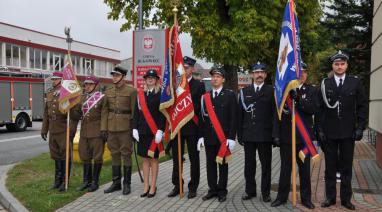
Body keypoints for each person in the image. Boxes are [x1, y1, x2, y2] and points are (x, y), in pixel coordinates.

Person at [318, 50, 368, 210]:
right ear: (332, 66)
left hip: (348, 133)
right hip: (330, 133)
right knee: (330, 167)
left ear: (346, 65)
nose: (339, 67)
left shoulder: (355, 82)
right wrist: (319, 130)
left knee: (346, 167)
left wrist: (360, 127)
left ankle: (346, 199)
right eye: (336, 64)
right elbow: (320, 109)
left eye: (342, 64)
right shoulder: (326, 83)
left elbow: (362, 106)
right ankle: (330, 198)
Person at [271, 62, 316, 209]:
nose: (301, 74)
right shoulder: (284, 92)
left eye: (303, 72)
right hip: (286, 138)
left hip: (303, 139)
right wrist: (276, 135)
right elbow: (277, 115)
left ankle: (306, 199)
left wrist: (299, 99)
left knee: (304, 171)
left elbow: (312, 109)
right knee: (285, 169)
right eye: (298, 72)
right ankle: (281, 197)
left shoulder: (311, 91)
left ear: (306, 74)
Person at [197, 66, 237, 202]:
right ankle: (212, 189)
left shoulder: (230, 95)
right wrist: (201, 136)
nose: (215, 79)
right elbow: (202, 118)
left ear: (223, 79)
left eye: (218, 76)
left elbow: (234, 118)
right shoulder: (205, 97)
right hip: (209, 137)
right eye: (213, 76)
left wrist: (231, 138)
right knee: (210, 164)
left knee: (223, 165)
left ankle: (222, 190)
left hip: (223, 138)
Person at [168, 56, 205, 199]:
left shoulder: (199, 85)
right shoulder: (176, 85)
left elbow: (200, 109)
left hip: (192, 127)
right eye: (183, 67)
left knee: (194, 158)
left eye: (188, 67)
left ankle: (193, 187)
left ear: (193, 69)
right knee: (177, 159)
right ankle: (177, 185)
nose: (185, 70)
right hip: (178, 127)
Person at [237, 62, 274, 202]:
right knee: (249, 165)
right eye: (256, 72)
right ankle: (250, 190)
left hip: (265, 135)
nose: (259, 74)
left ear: (265, 75)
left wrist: (275, 134)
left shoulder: (271, 91)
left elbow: (274, 115)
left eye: (262, 72)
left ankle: (265, 193)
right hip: (249, 135)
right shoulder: (244, 92)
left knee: (266, 166)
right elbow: (240, 115)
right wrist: (239, 134)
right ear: (252, 75)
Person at [101, 66, 137, 195]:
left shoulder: (132, 91)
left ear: (123, 77)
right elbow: (105, 110)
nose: (114, 77)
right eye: (113, 75)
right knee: (114, 154)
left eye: (116, 75)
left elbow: (134, 112)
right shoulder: (108, 91)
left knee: (126, 154)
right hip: (111, 127)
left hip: (125, 128)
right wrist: (103, 128)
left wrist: (134, 130)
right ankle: (116, 183)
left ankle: (127, 184)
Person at [132, 69, 165, 198]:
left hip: (154, 132)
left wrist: (161, 130)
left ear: (156, 80)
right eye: (148, 77)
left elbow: (163, 114)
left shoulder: (161, 94)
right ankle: (145, 185)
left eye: (152, 77)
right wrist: (134, 128)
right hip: (142, 132)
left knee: (154, 160)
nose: (150, 79)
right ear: (145, 80)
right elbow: (136, 113)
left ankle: (153, 186)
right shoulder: (140, 94)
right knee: (145, 160)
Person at [41, 71, 76, 192]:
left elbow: (72, 115)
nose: (54, 81)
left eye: (56, 79)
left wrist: (71, 131)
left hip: (63, 129)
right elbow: (46, 113)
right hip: (53, 129)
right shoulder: (49, 93)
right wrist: (44, 129)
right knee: (56, 155)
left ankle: (65, 182)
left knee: (65, 156)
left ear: (61, 80)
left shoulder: (66, 93)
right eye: (53, 79)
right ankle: (57, 181)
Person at [71, 76, 105, 192]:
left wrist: (104, 131)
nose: (87, 86)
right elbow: (76, 116)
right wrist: (73, 107)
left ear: (96, 85)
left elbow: (105, 116)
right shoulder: (82, 98)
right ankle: (86, 181)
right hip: (84, 132)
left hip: (97, 132)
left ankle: (95, 182)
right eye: (86, 84)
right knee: (85, 156)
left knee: (97, 157)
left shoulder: (101, 98)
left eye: (90, 84)